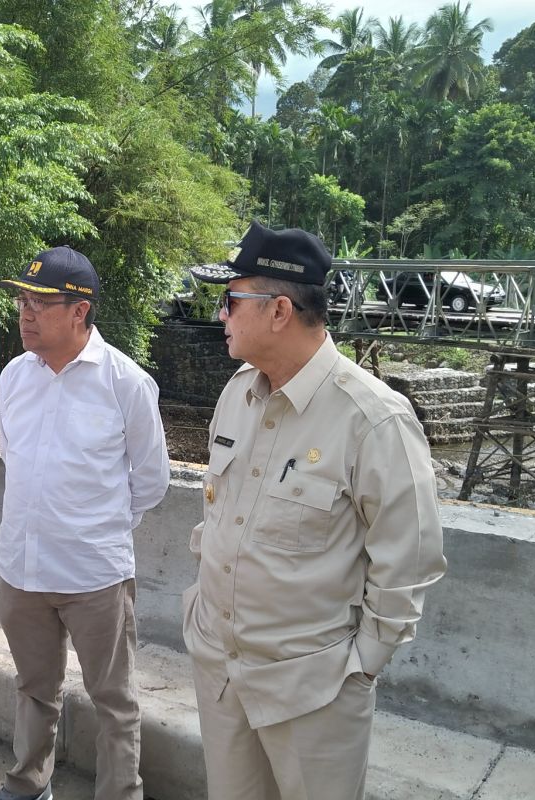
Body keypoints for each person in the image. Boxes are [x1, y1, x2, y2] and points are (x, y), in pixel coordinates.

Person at [183, 222, 447, 800]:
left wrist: (361, 668)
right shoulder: (237, 394)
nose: (220, 314)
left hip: (314, 691)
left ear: (279, 310)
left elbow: (410, 560)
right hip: (222, 671)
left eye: (230, 300)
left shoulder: (374, 418)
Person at [0, 248, 170, 800]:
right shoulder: (15, 377)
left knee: (114, 699)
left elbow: (153, 479)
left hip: (94, 575)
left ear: (80, 311)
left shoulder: (125, 383)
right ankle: (28, 784)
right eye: (22, 300)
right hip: (20, 571)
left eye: (41, 303)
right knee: (34, 689)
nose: (24, 313)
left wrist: (99, 526)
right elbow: (15, 463)